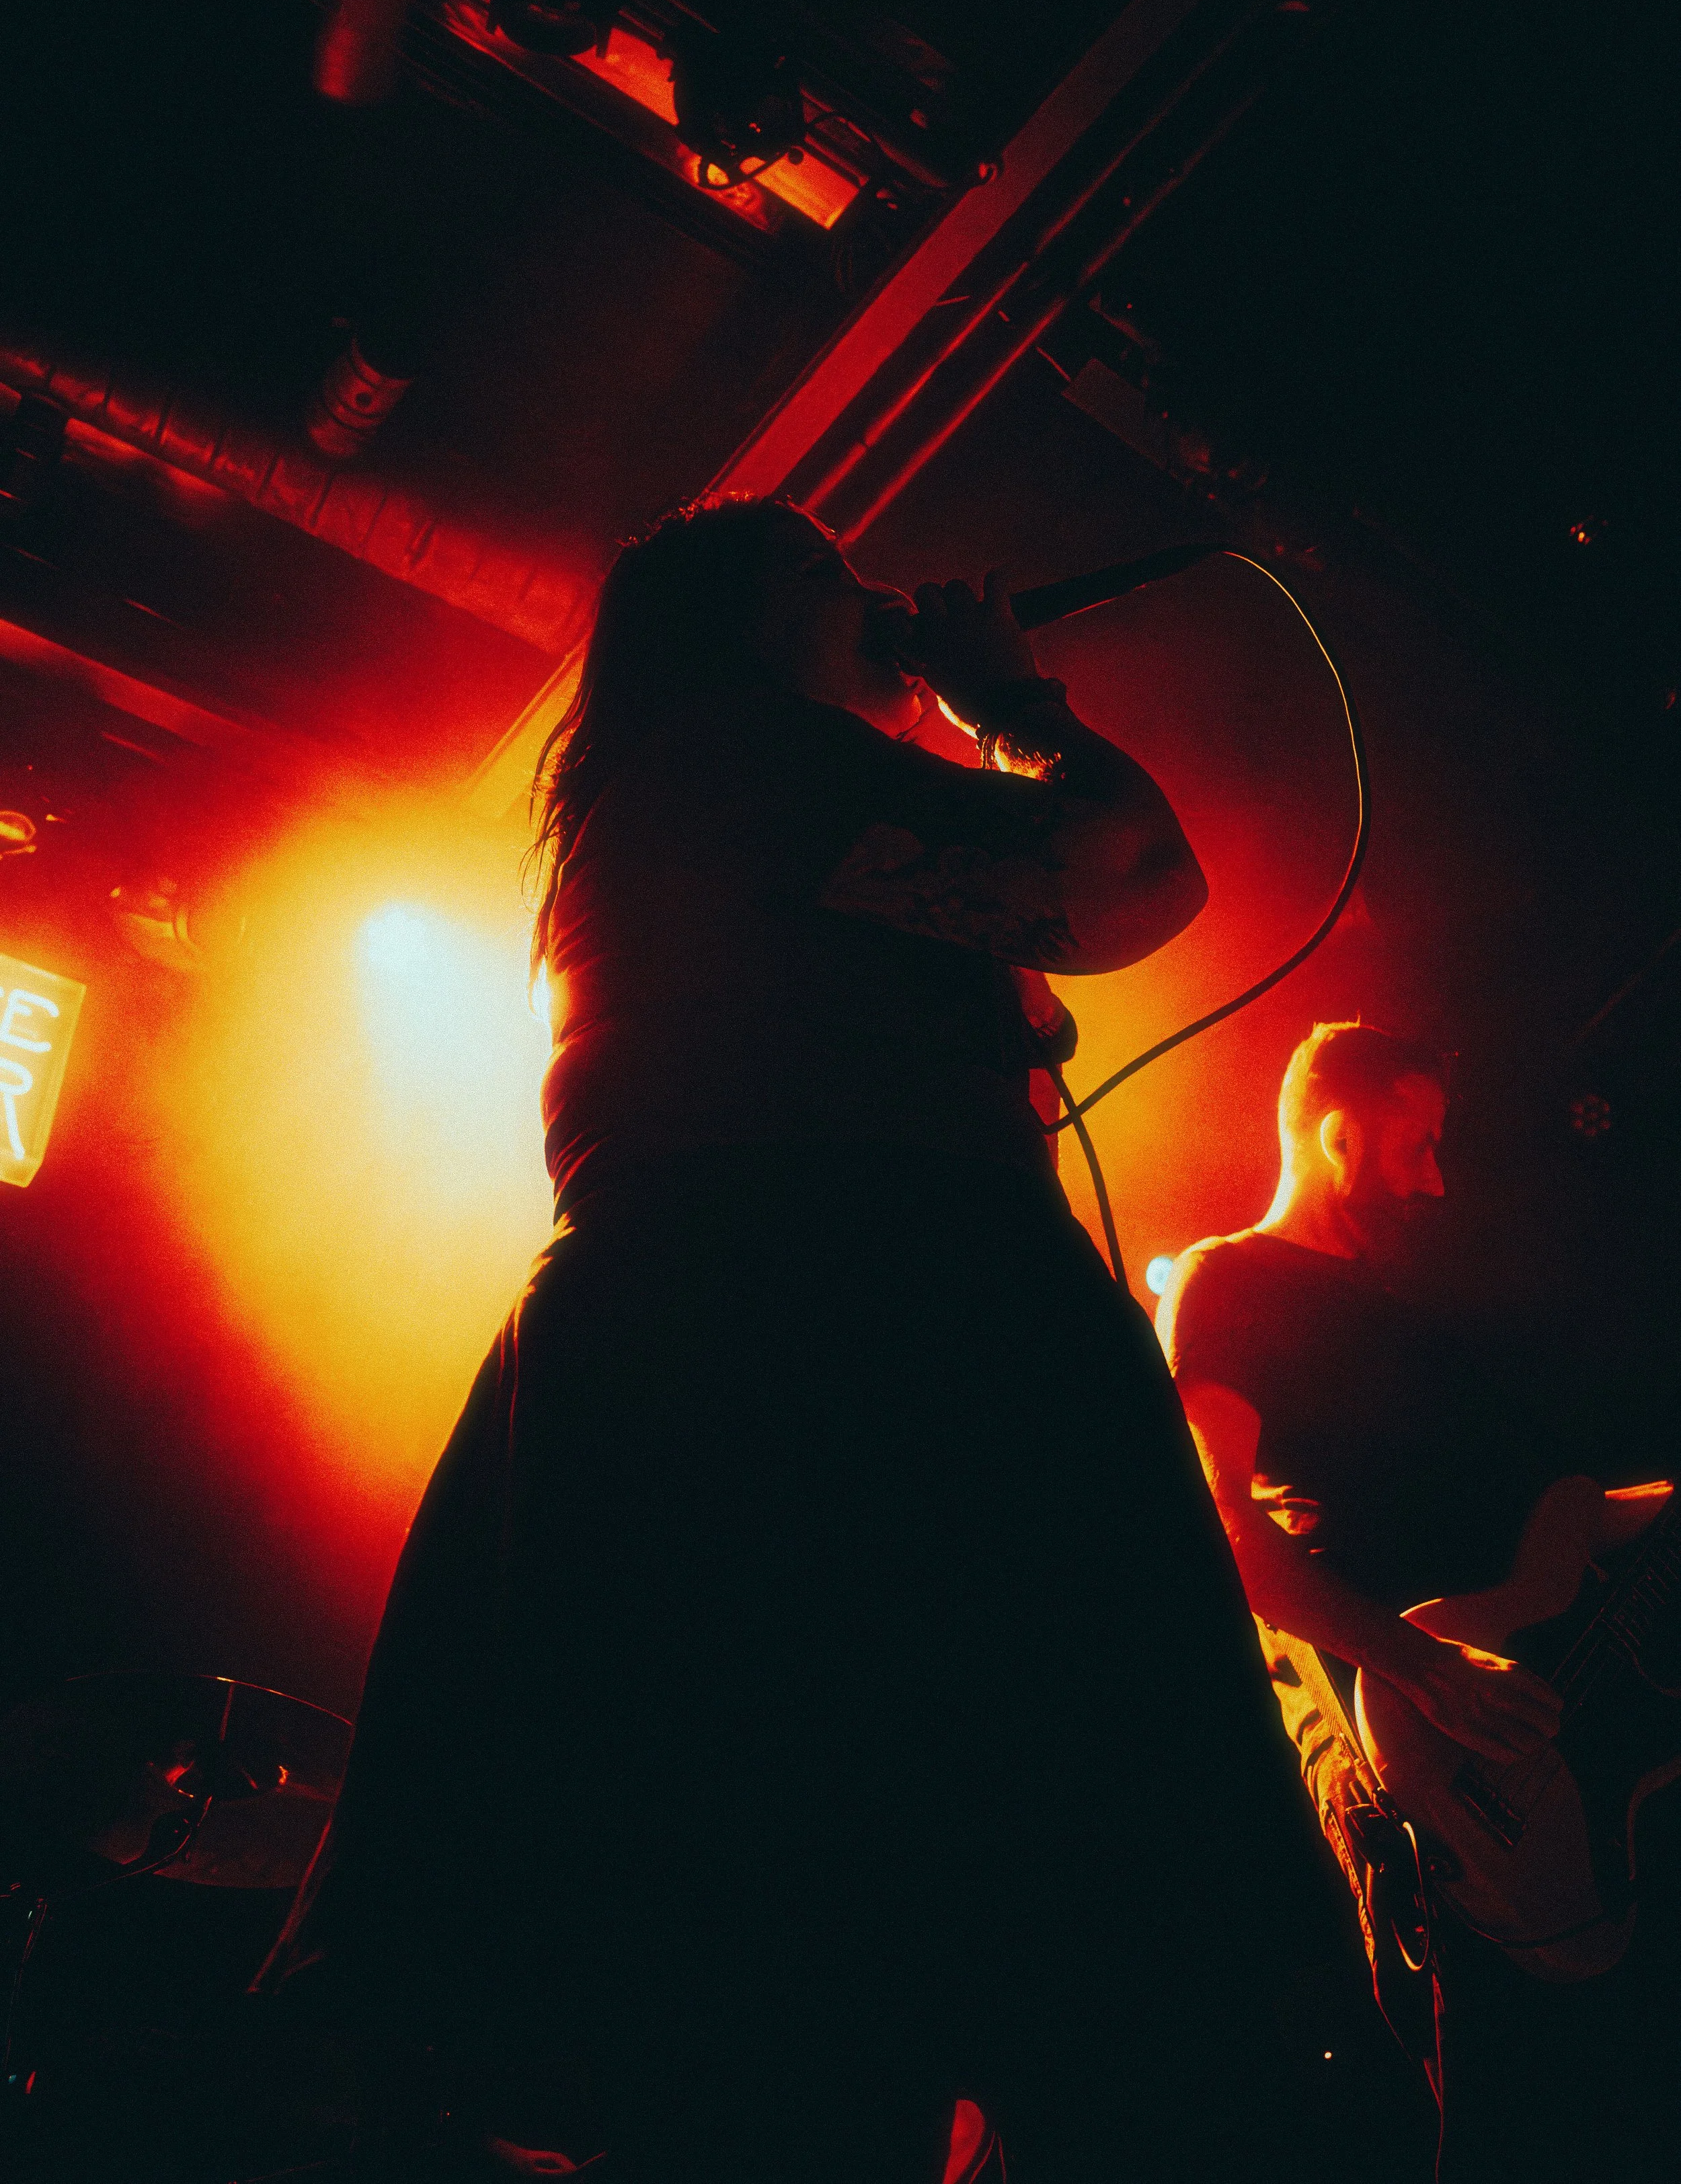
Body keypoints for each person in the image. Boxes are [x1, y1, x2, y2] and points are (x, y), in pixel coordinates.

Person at [262, 498, 1339, 2183]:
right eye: (835, 584)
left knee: (768, 1928)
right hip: (855, 1322)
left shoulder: (690, 792)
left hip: (739, 1329)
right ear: (748, 626)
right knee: (918, 1884)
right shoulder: (742, 759)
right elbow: (1130, 878)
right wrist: (1014, 708)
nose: (885, 601)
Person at [1159, 1020, 1679, 2181]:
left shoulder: (1411, 1307)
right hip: (1434, 1754)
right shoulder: (1228, 1277)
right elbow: (1221, 1530)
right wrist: (1425, 1666)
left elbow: (1553, 1522)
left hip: (1559, 1720)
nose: (1437, 1178)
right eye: (1417, 1145)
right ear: (1339, 1133)